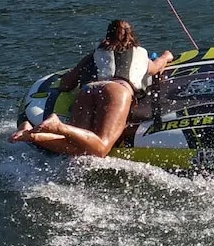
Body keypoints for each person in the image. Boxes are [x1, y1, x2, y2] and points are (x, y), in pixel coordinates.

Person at [10, 19, 173, 157]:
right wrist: (166, 56)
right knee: (101, 148)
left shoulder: (96, 53)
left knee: (79, 148)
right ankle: (58, 126)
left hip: (89, 89)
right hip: (117, 90)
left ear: (108, 36)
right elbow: (157, 67)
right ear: (133, 36)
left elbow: (67, 83)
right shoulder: (141, 54)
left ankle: (32, 135)